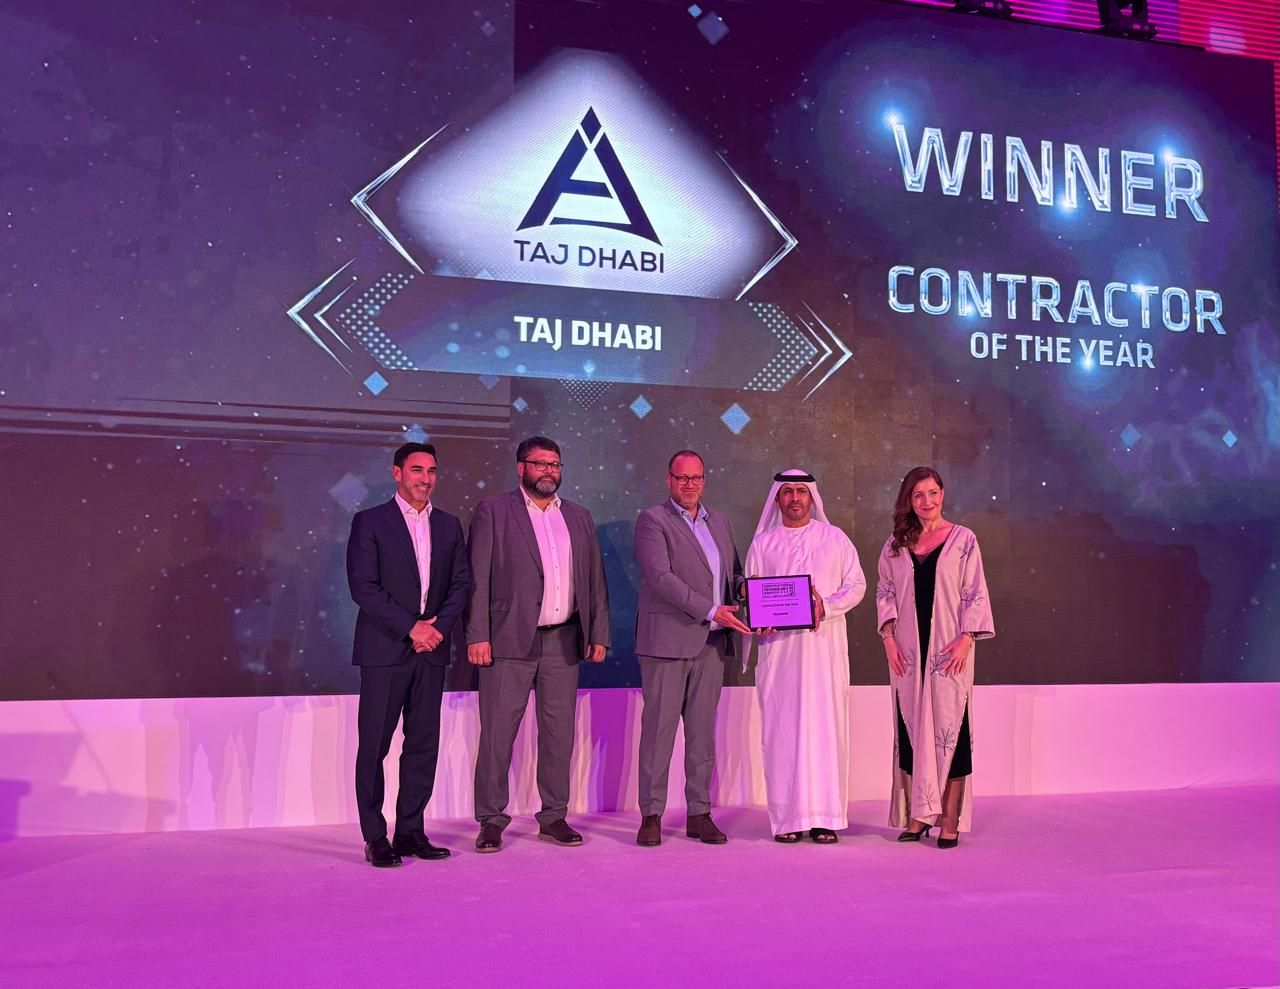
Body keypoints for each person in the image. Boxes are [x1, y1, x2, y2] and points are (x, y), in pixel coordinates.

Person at [466, 436, 610, 853]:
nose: (549, 471)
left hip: (563, 641)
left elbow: (594, 580)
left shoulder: (578, 516)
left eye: (555, 465)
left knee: (559, 734)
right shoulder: (494, 510)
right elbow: (477, 577)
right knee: (497, 735)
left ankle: (554, 816)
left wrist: (598, 633)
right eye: (540, 464)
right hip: (507, 641)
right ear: (521, 468)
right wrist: (478, 635)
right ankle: (491, 820)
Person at [347, 442, 472, 867]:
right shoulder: (370, 522)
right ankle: (374, 836)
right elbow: (363, 587)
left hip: (431, 651)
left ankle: (410, 831)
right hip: (385, 651)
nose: (426, 478)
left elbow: (461, 585)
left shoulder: (449, 525)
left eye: (432, 471)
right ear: (397, 473)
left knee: (422, 744)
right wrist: (411, 627)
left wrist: (435, 630)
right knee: (374, 746)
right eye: (417, 470)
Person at [633, 450, 752, 847]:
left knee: (701, 735)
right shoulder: (652, 520)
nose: (689, 484)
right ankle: (651, 815)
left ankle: (699, 813)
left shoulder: (719, 521)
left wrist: (747, 591)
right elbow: (661, 578)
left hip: (711, 644)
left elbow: (733, 573)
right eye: (682, 478)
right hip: (666, 643)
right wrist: (712, 610)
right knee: (659, 733)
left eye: (696, 478)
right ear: (669, 479)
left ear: (704, 481)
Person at [875, 467, 994, 848]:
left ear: (942, 494)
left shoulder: (963, 540)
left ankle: (949, 820)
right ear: (908, 501)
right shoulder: (895, 545)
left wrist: (967, 638)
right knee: (911, 730)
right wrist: (888, 638)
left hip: (949, 650)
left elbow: (975, 591)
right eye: (918, 495)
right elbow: (885, 590)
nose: (926, 501)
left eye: (932, 493)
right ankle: (918, 816)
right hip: (907, 653)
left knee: (951, 731)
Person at [744, 469, 866, 844]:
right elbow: (751, 594)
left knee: (825, 730)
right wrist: (757, 618)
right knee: (782, 732)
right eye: (787, 492)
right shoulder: (763, 544)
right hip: (779, 657)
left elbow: (857, 585)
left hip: (824, 655)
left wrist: (825, 607)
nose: (794, 498)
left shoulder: (835, 539)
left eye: (801, 491)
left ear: (812, 497)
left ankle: (825, 817)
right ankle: (788, 820)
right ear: (777, 499)